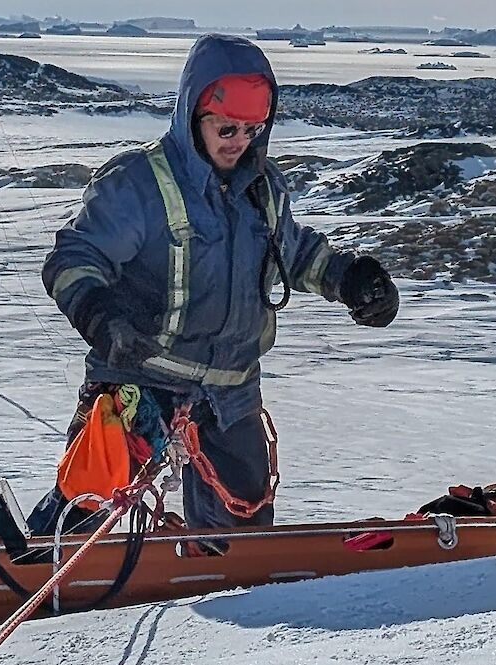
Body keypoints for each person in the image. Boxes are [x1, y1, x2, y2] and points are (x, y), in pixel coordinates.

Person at [31, 34, 399, 538]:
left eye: (252, 129)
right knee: (88, 511)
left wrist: (351, 278)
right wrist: (103, 318)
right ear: (192, 115)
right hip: (140, 379)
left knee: (241, 536)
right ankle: (21, 574)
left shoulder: (263, 188)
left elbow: (295, 253)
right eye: (226, 127)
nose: (239, 140)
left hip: (230, 390)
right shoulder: (137, 184)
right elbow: (74, 259)